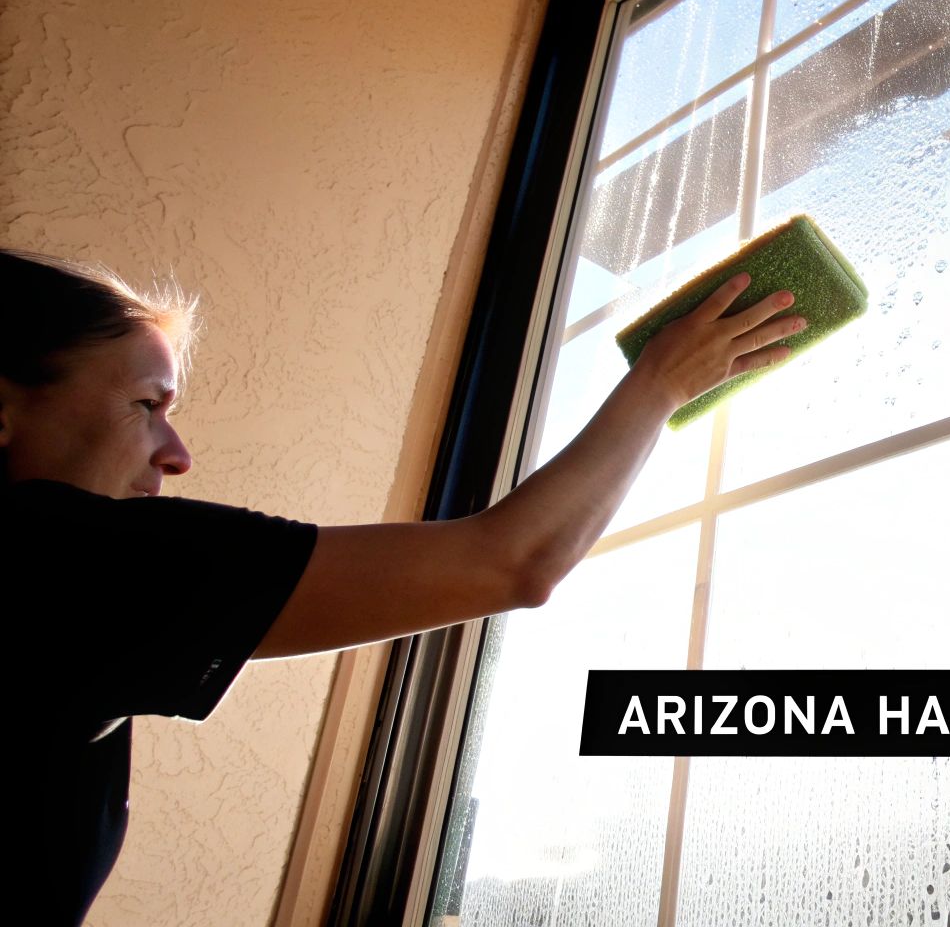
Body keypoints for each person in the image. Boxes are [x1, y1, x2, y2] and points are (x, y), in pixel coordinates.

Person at [0, 247, 806, 924]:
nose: (176, 453)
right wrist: (661, 383)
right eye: (147, 404)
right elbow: (513, 561)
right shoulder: (54, 557)